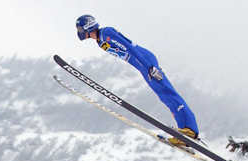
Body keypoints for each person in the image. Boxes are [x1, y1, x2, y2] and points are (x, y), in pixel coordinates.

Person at [76, 14, 199, 147]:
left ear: (88, 27)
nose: (80, 32)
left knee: (168, 92)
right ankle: (183, 135)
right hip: (140, 65)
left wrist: (150, 67)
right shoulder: (100, 41)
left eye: (81, 29)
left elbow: (131, 49)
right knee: (164, 97)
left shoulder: (106, 33)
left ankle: (190, 130)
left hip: (144, 61)